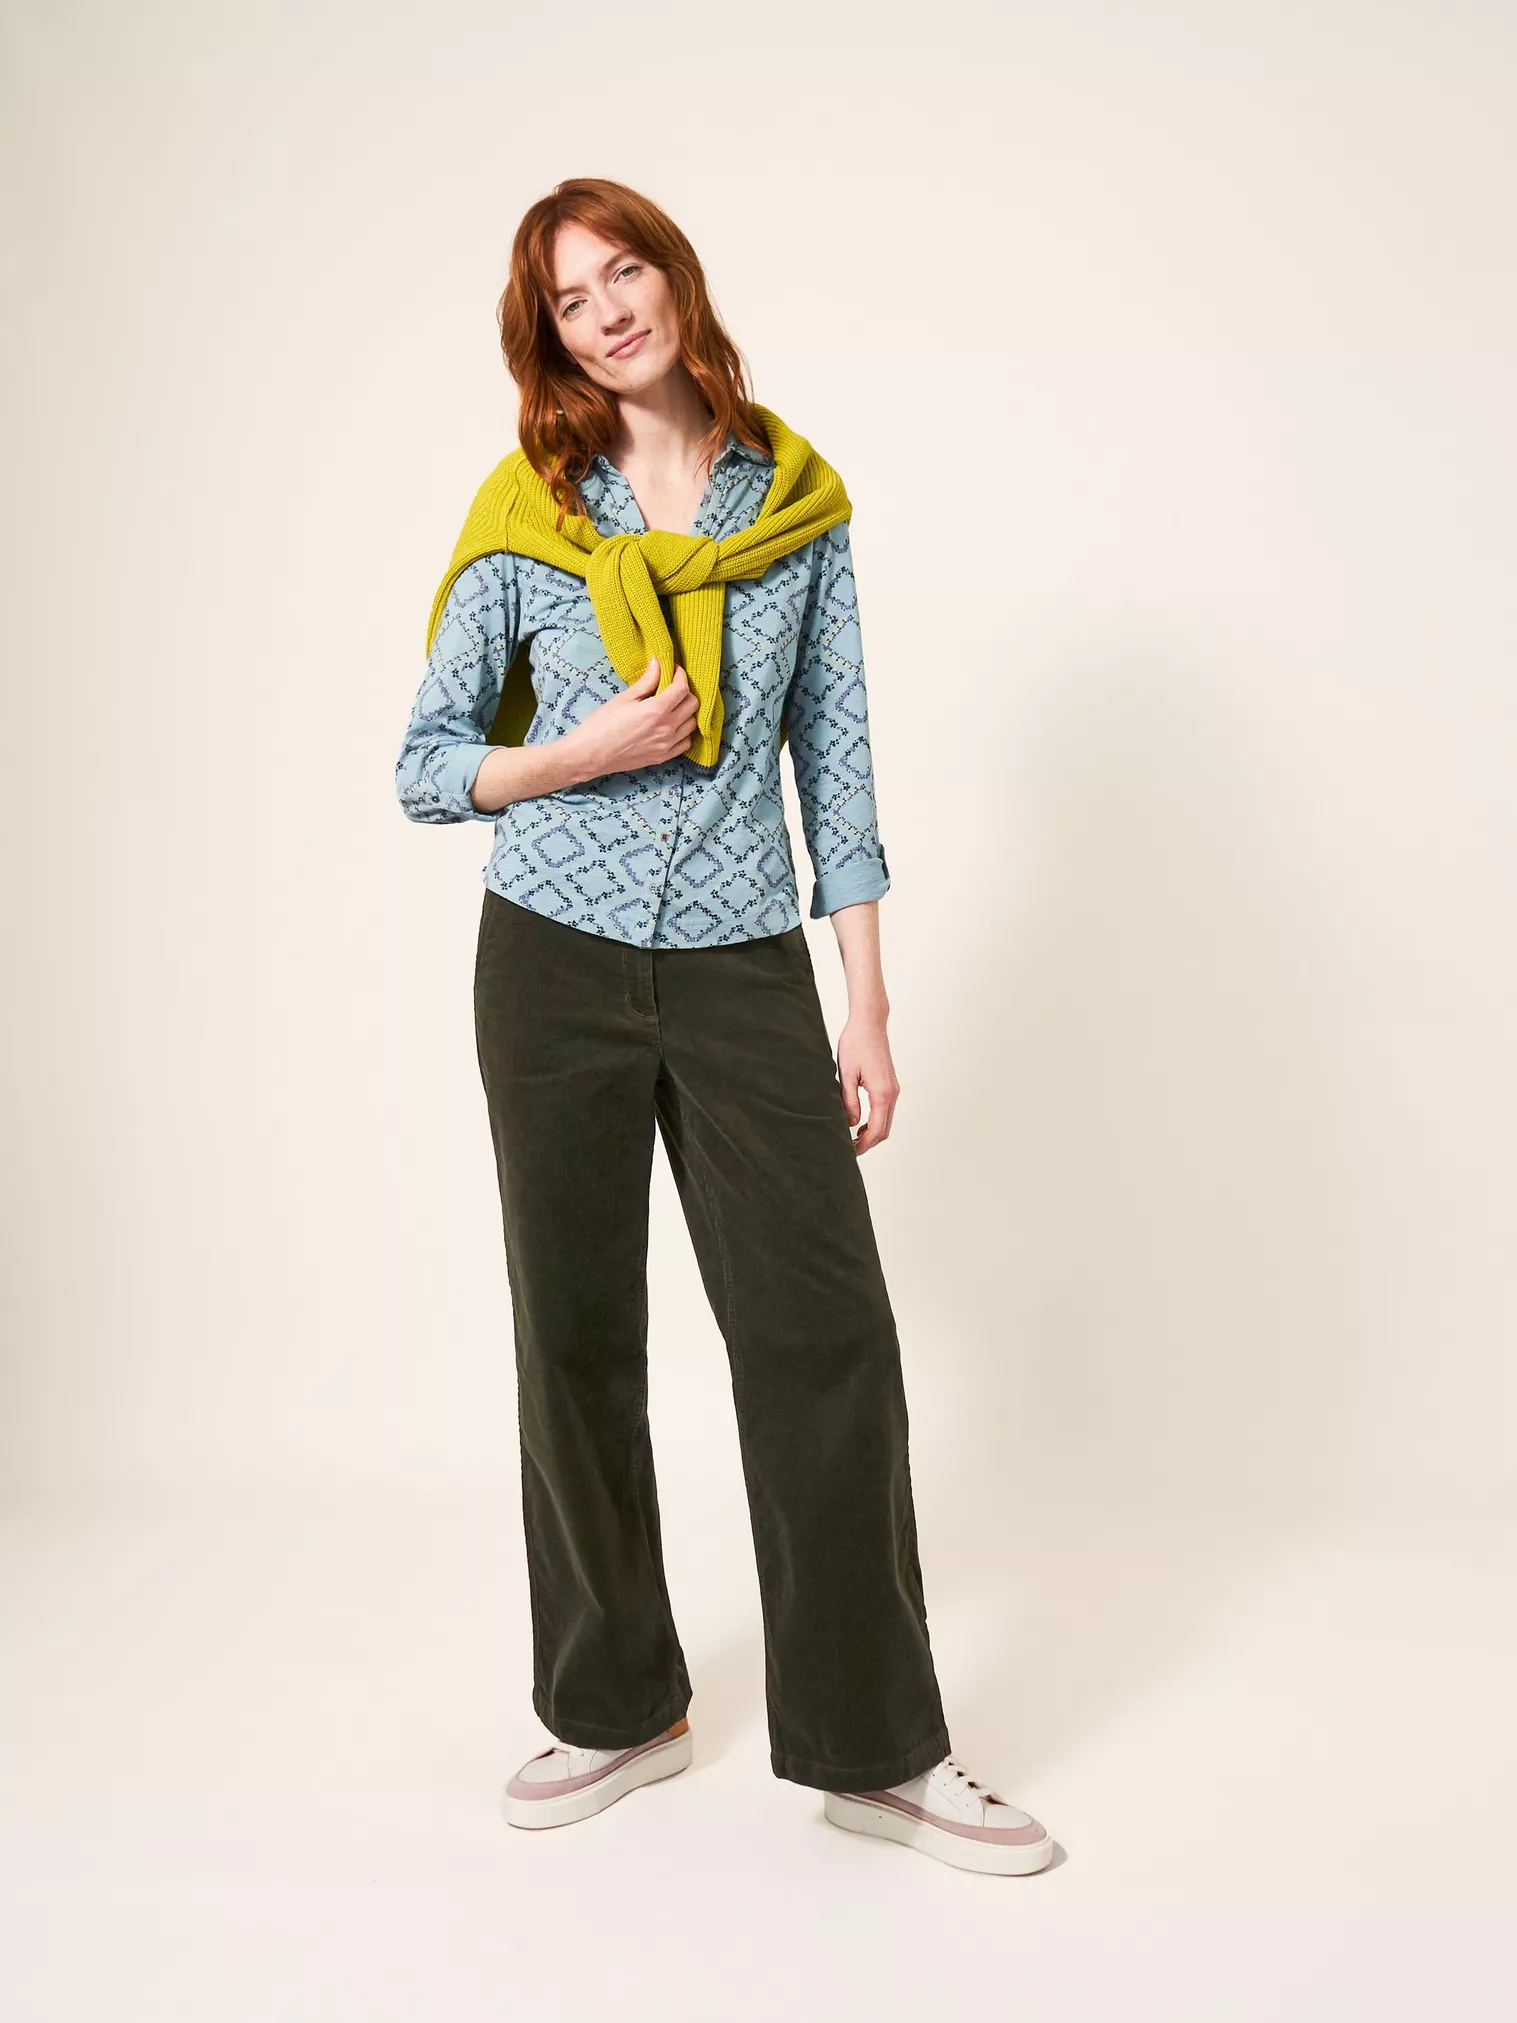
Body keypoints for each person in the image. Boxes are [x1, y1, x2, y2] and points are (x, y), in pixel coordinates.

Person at [394, 176, 1054, 1877]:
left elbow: (838, 759)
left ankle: (878, 1746)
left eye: (626, 271)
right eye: (571, 298)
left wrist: (868, 1000)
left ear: (676, 279)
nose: (609, 310)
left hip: (747, 964)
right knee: (574, 1334)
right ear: (548, 337)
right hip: (550, 964)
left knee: (828, 1336)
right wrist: (579, 753)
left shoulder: (794, 501)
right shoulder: (531, 509)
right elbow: (427, 765)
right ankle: (615, 1704)